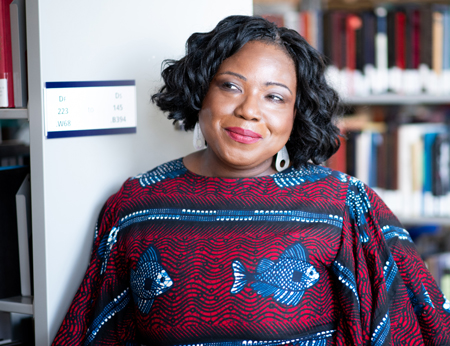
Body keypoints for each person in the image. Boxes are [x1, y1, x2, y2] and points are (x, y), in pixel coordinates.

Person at [53, 15, 450, 346]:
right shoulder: (135, 205)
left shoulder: (342, 204)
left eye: (274, 97)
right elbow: (99, 330)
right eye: (230, 86)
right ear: (200, 91)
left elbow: (412, 325)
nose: (248, 111)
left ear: (297, 113)